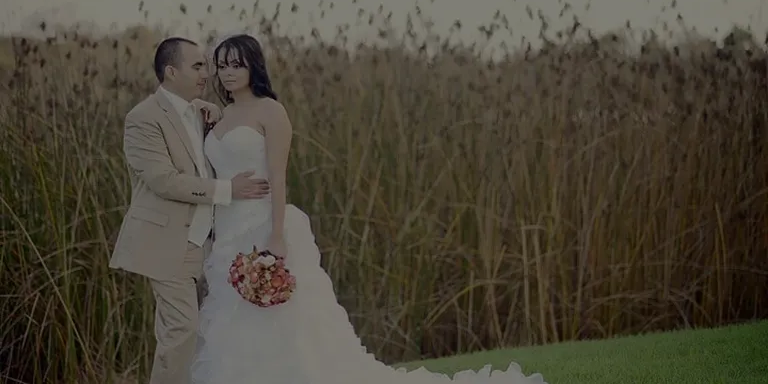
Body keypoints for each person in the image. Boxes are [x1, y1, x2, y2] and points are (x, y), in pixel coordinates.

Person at [190, 33, 547, 384]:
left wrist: (277, 235)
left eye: (236, 64)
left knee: (279, 320)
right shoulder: (220, 115)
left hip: (263, 223)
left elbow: (279, 176)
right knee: (232, 319)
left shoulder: (271, 111)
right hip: (227, 233)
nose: (228, 73)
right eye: (221, 66)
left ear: (253, 66)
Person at [109, 36, 272, 384]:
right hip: (168, 242)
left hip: (212, 244)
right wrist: (228, 190)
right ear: (171, 71)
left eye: (206, 65)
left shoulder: (200, 112)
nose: (207, 73)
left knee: (206, 332)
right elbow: (165, 181)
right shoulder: (142, 119)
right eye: (197, 66)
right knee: (181, 328)